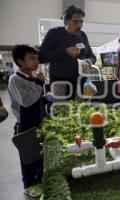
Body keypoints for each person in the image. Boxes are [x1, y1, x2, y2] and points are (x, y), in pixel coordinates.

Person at [8, 45, 45, 197]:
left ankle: (39, 178)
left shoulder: (31, 77)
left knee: (39, 153)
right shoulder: (15, 79)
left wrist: (45, 98)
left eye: (36, 58)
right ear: (20, 62)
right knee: (28, 156)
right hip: (25, 124)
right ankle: (29, 184)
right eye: (31, 58)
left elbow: (35, 98)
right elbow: (26, 101)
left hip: (37, 121)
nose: (36, 61)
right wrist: (39, 84)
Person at [38, 5, 96, 100]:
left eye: (81, 22)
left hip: (80, 83)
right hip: (60, 83)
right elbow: (41, 57)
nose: (79, 25)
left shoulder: (83, 36)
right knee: (61, 112)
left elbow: (92, 56)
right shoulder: (54, 34)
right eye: (75, 21)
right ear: (66, 21)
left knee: (78, 111)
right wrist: (65, 52)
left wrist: (89, 61)